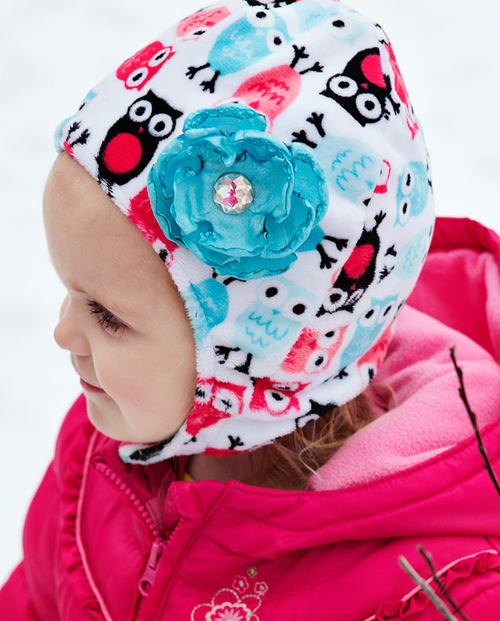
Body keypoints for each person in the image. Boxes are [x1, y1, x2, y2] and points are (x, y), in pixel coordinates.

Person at [2, 0, 500, 618]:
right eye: (71, 292)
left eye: (106, 315)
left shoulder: (433, 593)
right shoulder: (106, 453)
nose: (62, 332)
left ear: (253, 363)